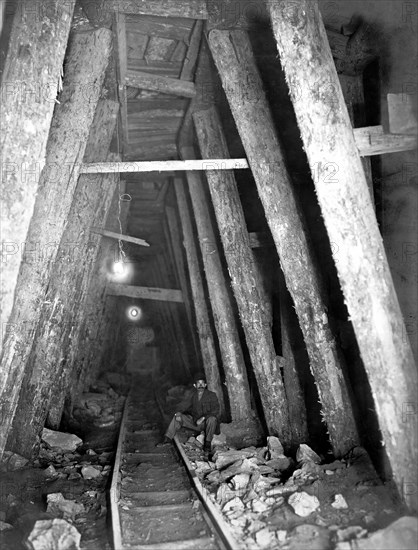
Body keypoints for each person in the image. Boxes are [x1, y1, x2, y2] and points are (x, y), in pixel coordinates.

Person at [157, 373, 220, 455]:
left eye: (202, 383)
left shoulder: (212, 395)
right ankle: (167, 439)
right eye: (198, 384)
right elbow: (182, 406)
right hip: (194, 422)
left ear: (205, 385)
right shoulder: (192, 396)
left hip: (206, 424)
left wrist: (204, 417)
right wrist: (178, 413)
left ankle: (207, 444)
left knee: (212, 419)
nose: (200, 385)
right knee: (177, 417)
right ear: (195, 385)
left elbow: (215, 410)